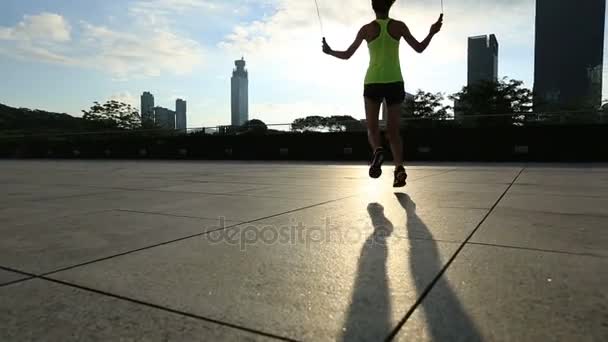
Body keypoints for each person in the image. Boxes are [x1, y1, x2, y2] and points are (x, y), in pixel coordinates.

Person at [322, 0, 443, 187]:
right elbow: (419, 48)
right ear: (390, 5)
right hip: (395, 81)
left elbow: (347, 55)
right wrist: (432, 32)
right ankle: (399, 169)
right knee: (393, 131)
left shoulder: (366, 29)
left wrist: (329, 51)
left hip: (372, 82)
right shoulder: (399, 26)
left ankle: (377, 151)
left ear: (373, 6)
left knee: (372, 128)